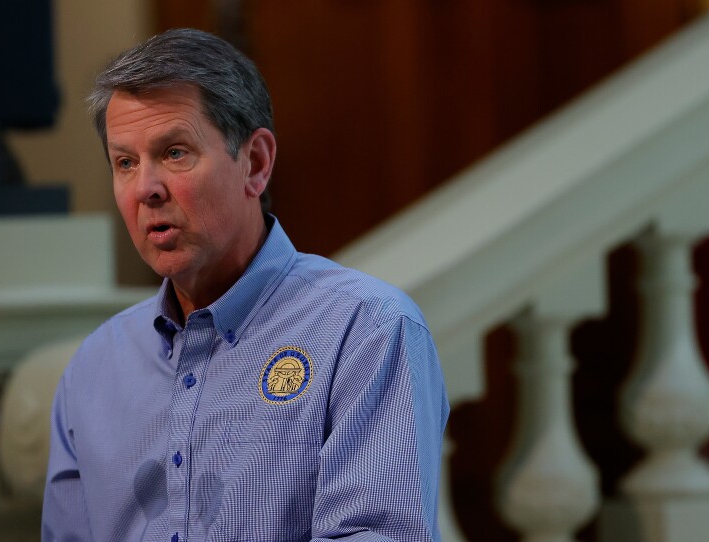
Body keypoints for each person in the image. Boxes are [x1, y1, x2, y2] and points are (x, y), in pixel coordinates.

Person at [42, 28, 449, 542]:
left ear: (255, 163)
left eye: (175, 153)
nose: (146, 188)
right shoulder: (94, 368)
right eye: (125, 162)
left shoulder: (365, 329)